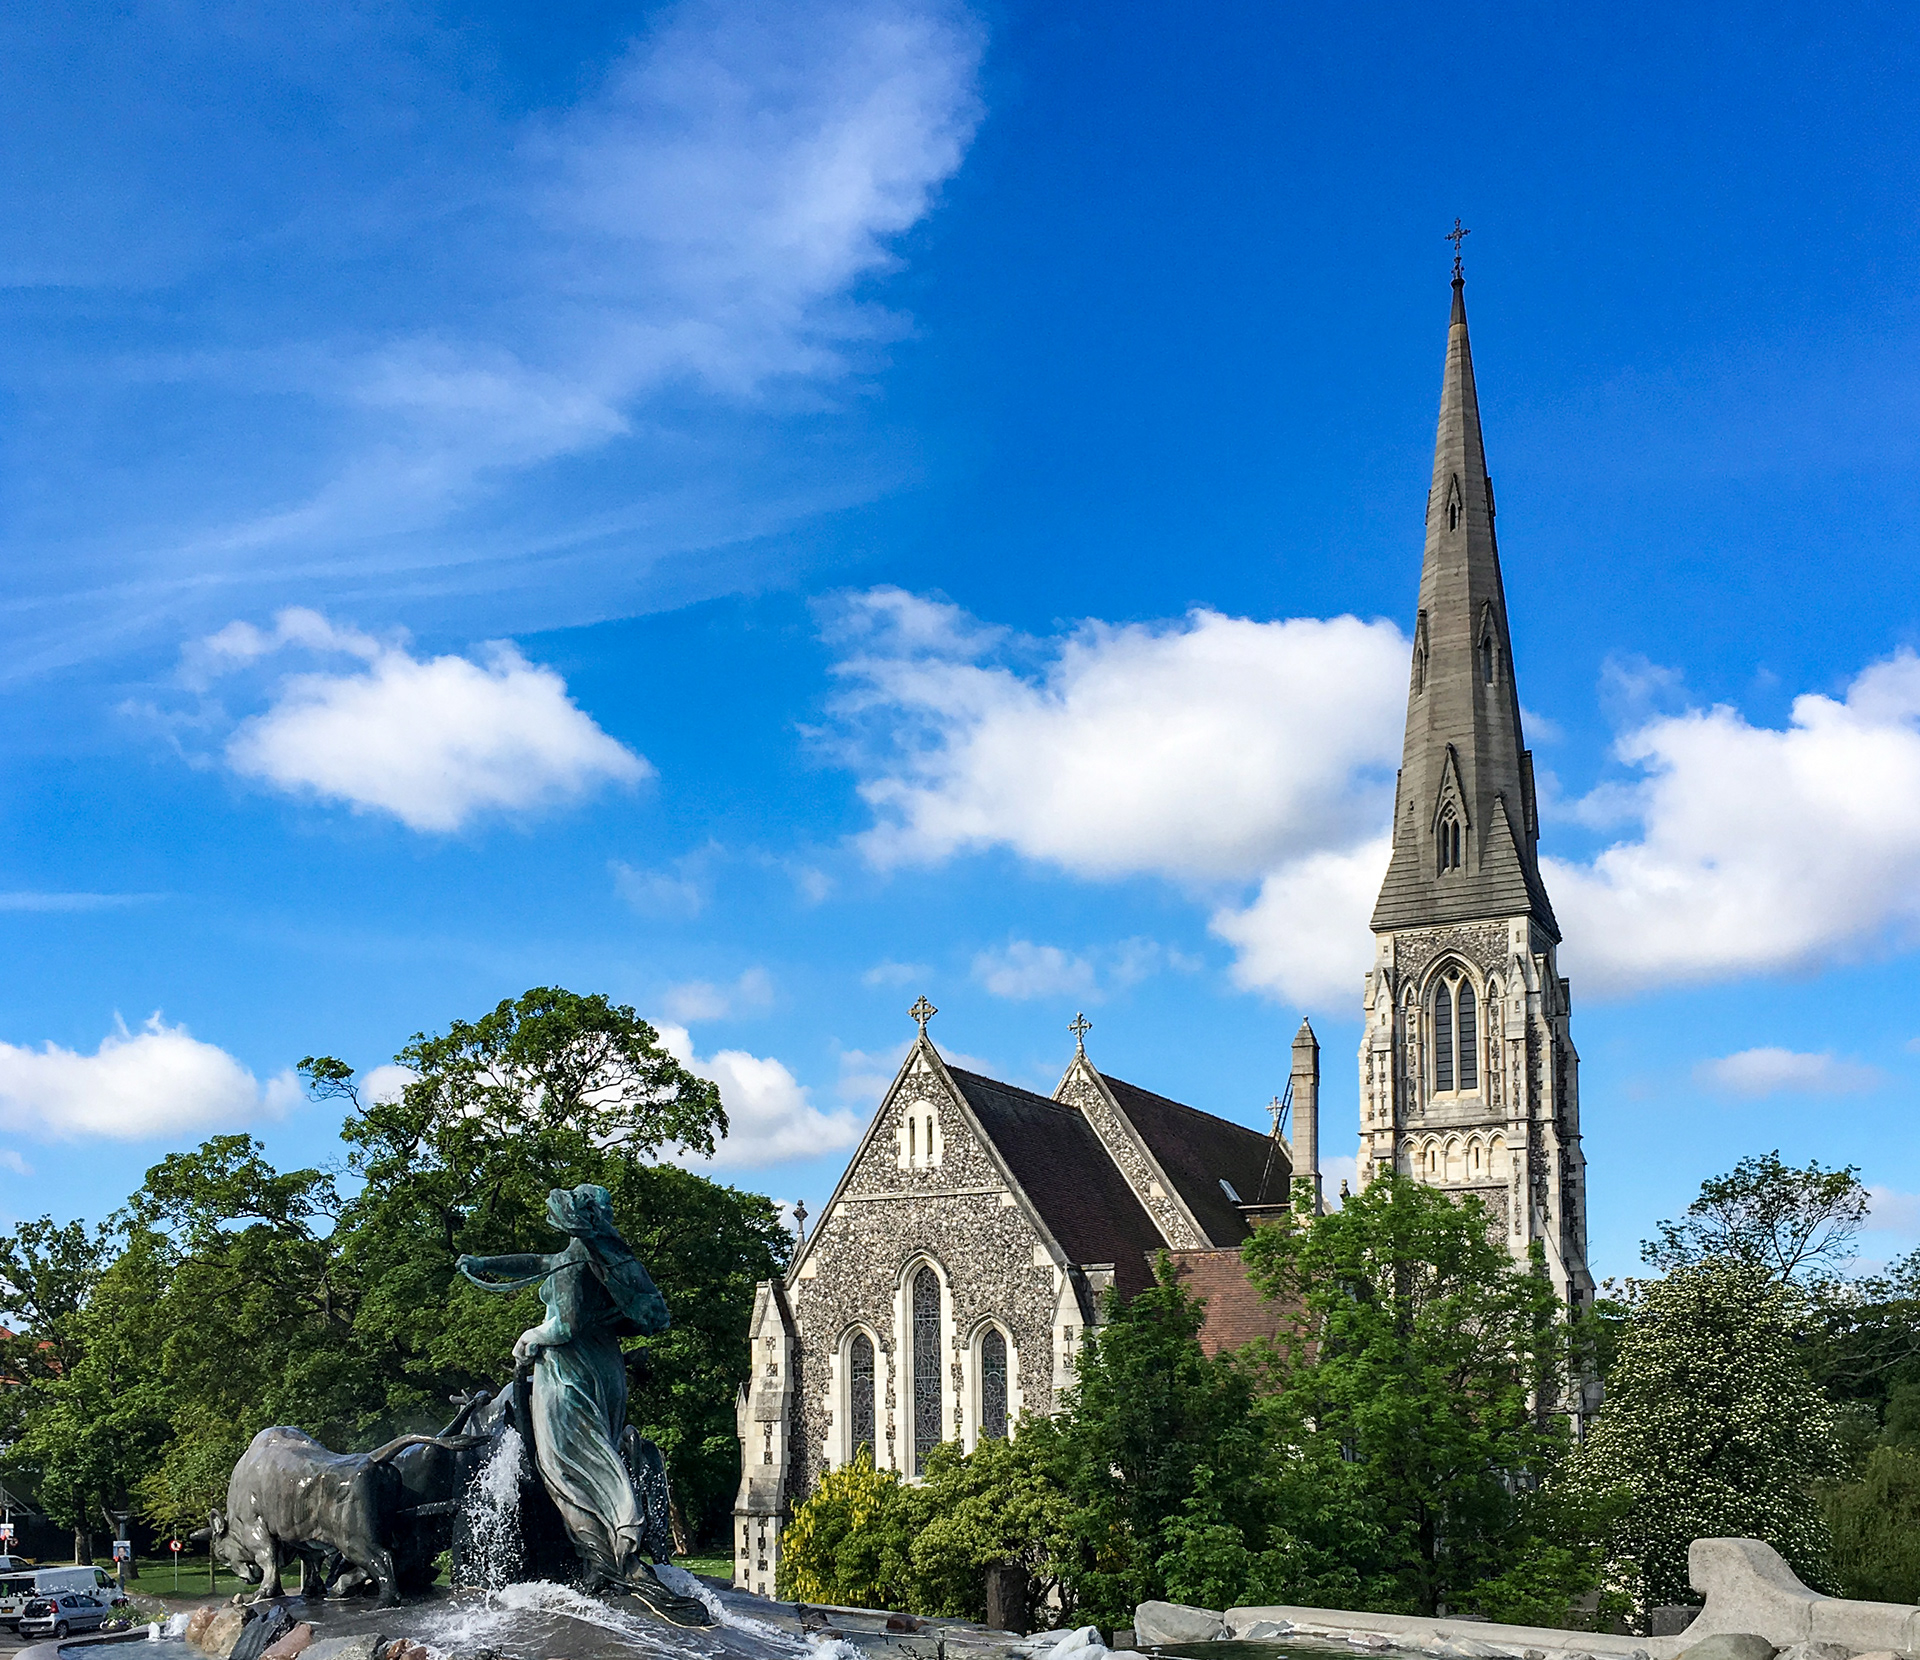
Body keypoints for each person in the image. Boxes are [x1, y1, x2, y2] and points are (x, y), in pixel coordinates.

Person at [457, 1186, 705, 1626]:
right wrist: (484, 1264)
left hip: (568, 1377)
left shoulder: (575, 1265)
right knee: (594, 1457)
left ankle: (610, 1559)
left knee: (569, 1469)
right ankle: (603, 1558)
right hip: (604, 1370)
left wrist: (530, 1337)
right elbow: (536, 1263)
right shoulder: (597, 1258)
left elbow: (565, 1325)